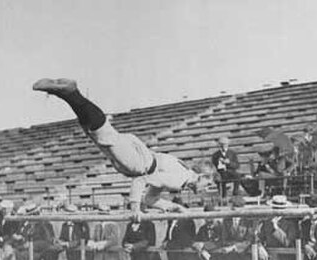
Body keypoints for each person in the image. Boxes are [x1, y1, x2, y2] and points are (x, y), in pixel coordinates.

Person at [32, 78, 215, 217]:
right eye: (208, 184)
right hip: (139, 163)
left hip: (142, 156)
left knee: (95, 133)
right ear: (202, 176)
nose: (206, 189)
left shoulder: (181, 172)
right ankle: (73, 93)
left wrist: (174, 207)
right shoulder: (178, 180)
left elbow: (150, 198)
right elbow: (141, 180)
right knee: (103, 133)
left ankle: (66, 94)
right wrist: (135, 207)